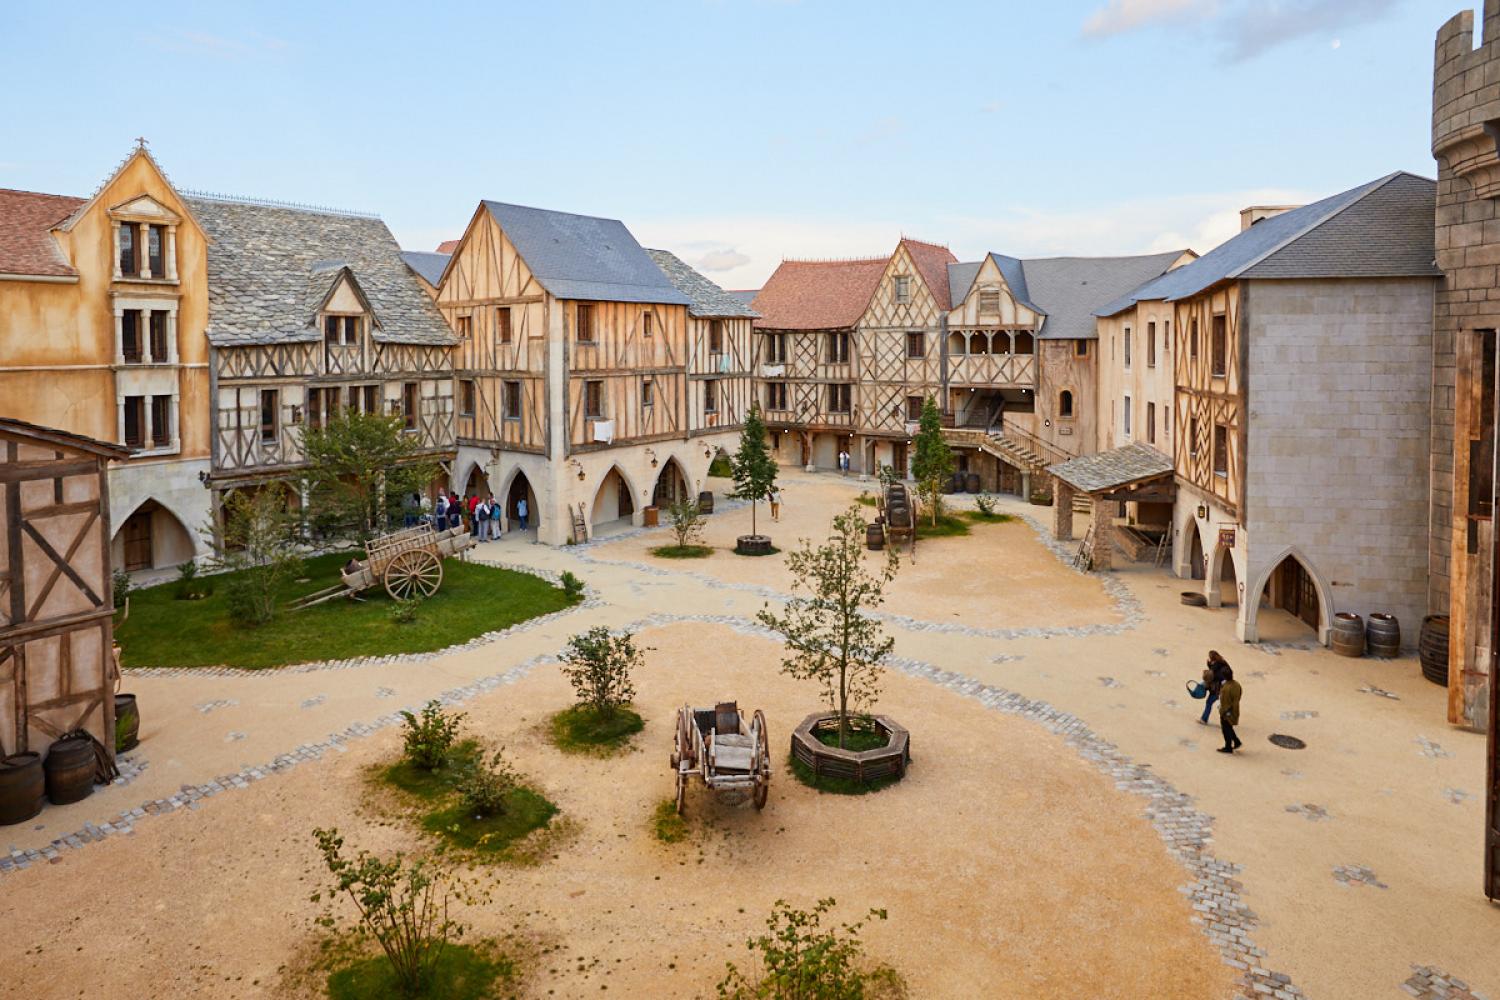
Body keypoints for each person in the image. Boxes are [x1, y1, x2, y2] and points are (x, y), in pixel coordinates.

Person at [1217, 666, 1243, 754]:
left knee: (1225, 729)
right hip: (1235, 710)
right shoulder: (1237, 684)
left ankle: (1228, 747)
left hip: (1227, 712)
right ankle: (1236, 741)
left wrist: (1223, 712)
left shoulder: (1225, 689)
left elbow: (1224, 703)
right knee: (1229, 727)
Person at [1200, 650, 1229, 726]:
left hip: (1218, 689)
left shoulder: (1216, 666)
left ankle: (1204, 719)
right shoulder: (1221, 662)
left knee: (1210, 702)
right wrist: (1209, 665)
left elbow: (1214, 675)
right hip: (1223, 687)